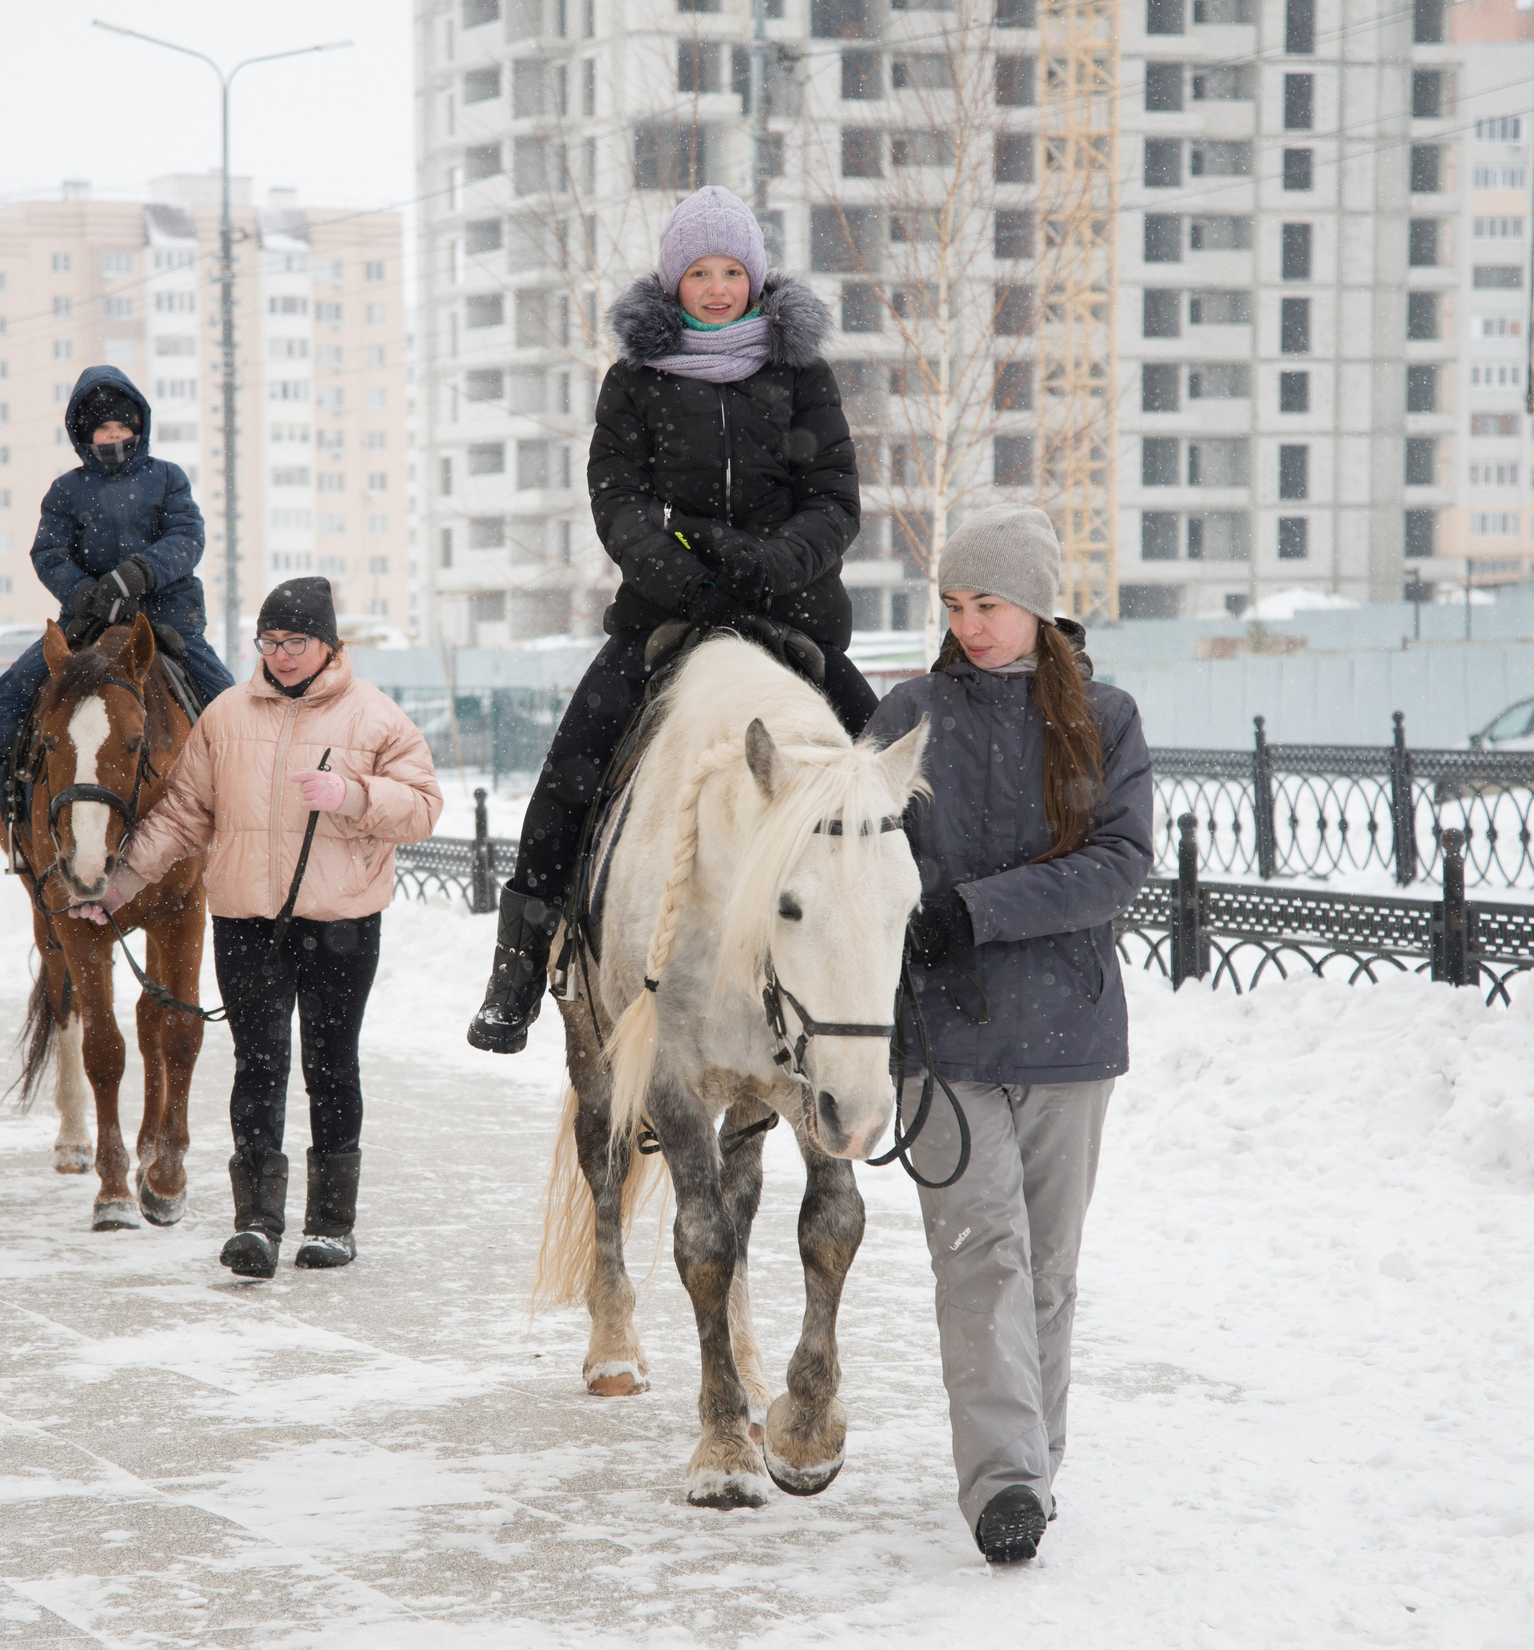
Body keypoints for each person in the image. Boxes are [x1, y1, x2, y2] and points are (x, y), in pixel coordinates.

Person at [467, 184, 881, 1054]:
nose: (719, 287)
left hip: (794, 621)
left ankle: (922, 972)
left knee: (883, 768)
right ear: (673, 281)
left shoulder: (801, 374)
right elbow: (618, 503)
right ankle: (519, 964)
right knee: (571, 767)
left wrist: (767, 569)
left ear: (758, 278)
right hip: (664, 620)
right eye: (701, 272)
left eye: (734, 270)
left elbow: (836, 503)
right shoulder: (634, 381)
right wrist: (688, 582)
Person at [863, 506, 1154, 1565]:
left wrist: (970, 910)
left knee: (1046, 1271)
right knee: (980, 1256)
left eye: (987, 602)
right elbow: (849, 855)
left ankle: (1032, 1460)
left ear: (1036, 604)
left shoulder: (1105, 718)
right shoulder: (905, 712)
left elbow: (1119, 862)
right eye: (953, 603)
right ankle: (1003, 1487)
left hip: (1069, 1033)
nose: (969, 622)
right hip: (941, 1040)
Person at [72, 577, 441, 1278]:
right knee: (259, 1067)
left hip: (342, 923)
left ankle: (331, 1224)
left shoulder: (376, 718)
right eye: (270, 642)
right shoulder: (226, 715)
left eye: (295, 641)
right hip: (247, 923)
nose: (282, 654)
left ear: (329, 643)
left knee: (331, 1068)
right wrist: (118, 885)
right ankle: (257, 1224)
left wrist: (354, 795)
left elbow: (423, 807)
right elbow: (183, 815)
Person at [0, 365, 236, 804]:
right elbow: (48, 555)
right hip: (88, 620)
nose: (115, 436)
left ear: (139, 427)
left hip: (167, 619)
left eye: (123, 426)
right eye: (104, 429)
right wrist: (86, 594)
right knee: (14, 686)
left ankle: (250, 770)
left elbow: (187, 539)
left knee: (224, 695)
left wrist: (137, 574)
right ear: (84, 435)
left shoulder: (169, 478)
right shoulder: (65, 491)